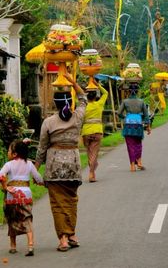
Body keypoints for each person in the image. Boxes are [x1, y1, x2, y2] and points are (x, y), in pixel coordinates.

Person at [35, 73, 87, 252]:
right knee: (72, 201)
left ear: (55, 104)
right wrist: (73, 83)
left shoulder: (48, 122)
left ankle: (64, 239)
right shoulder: (77, 117)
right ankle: (72, 234)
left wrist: (35, 169)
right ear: (69, 101)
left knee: (58, 204)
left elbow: (41, 149)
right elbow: (84, 99)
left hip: (54, 168)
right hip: (73, 167)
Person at [0, 139, 44, 256]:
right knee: (27, 219)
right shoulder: (29, 164)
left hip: (11, 196)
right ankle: (30, 246)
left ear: (14, 154)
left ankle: (13, 246)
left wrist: (5, 187)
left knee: (12, 220)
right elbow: (38, 177)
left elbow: (1, 175)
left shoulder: (8, 165)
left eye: (9, 150)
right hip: (26, 196)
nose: (7, 152)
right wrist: (41, 182)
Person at [117, 83, 151, 172]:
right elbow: (146, 115)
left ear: (128, 91)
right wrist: (147, 126)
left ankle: (132, 165)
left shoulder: (125, 101)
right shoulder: (141, 101)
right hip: (138, 125)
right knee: (138, 144)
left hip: (128, 125)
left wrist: (125, 118)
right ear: (137, 91)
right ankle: (139, 162)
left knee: (130, 145)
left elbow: (119, 113)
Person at [81, 79, 108, 182]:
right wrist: (98, 85)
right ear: (95, 96)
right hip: (97, 131)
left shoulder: (83, 106)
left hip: (86, 132)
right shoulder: (99, 104)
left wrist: (82, 92)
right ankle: (92, 173)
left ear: (87, 96)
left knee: (89, 153)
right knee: (94, 153)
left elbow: (76, 96)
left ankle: (92, 169)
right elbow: (106, 93)